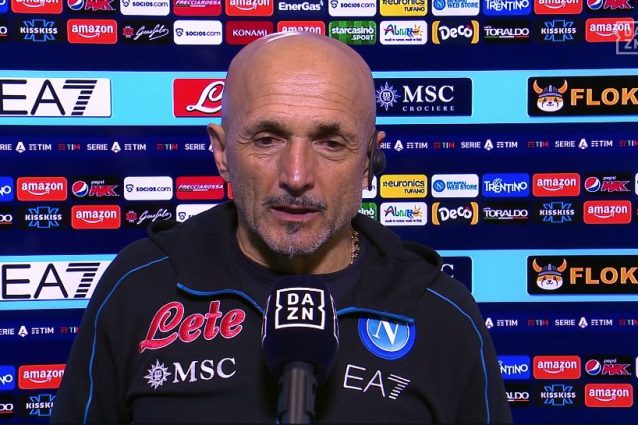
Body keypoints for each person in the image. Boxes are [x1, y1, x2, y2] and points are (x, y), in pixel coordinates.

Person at [51, 32, 511, 423]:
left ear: (369, 160)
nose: (295, 175)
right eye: (267, 139)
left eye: (330, 143)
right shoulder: (138, 287)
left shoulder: (442, 315)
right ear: (222, 153)